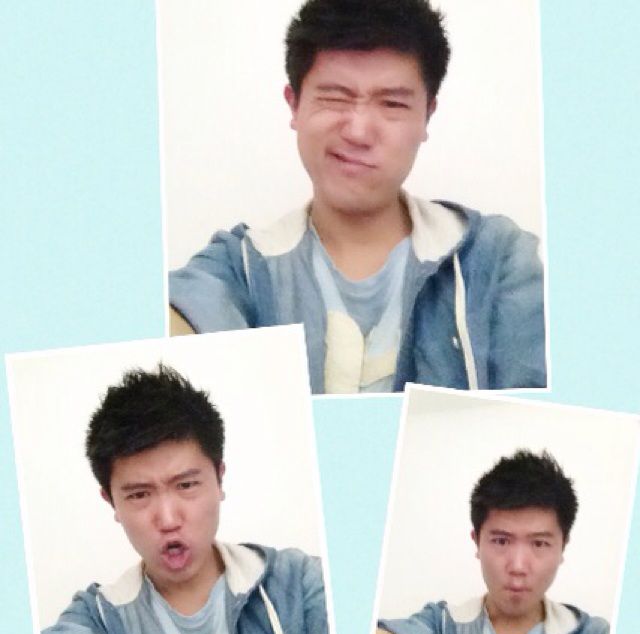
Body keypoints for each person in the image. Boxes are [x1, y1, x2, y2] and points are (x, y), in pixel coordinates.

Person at [169, 0, 546, 394]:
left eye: (392, 103)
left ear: (427, 115)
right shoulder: (240, 267)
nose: (359, 132)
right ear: (294, 104)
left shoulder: (495, 260)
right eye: (335, 97)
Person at [43, 364, 329, 634]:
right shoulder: (97, 619)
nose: (168, 519)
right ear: (111, 502)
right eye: (139, 494)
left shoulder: (299, 583)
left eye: (186, 485)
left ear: (219, 480)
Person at [376, 450, 609, 634]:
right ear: (477, 542)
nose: (518, 566)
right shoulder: (442, 625)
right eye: (501, 541)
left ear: (563, 547)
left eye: (539, 543)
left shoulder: (590, 633)